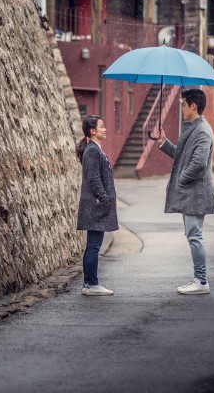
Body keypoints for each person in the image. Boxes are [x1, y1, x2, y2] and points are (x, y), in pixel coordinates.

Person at [155, 88, 214, 295]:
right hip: (192, 192)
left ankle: (201, 281)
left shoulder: (202, 130)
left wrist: (182, 180)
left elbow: (198, 164)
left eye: (183, 104)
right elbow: (182, 156)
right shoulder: (193, 128)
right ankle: (199, 279)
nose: (181, 109)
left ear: (193, 106)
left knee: (195, 236)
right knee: (193, 235)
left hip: (196, 192)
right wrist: (163, 143)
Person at [75, 115, 119, 296]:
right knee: (94, 245)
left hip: (95, 203)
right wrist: (105, 198)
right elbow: (93, 178)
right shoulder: (92, 151)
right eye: (102, 126)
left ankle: (89, 283)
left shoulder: (95, 149)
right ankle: (91, 284)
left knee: (93, 244)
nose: (105, 128)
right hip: (96, 204)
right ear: (92, 131)